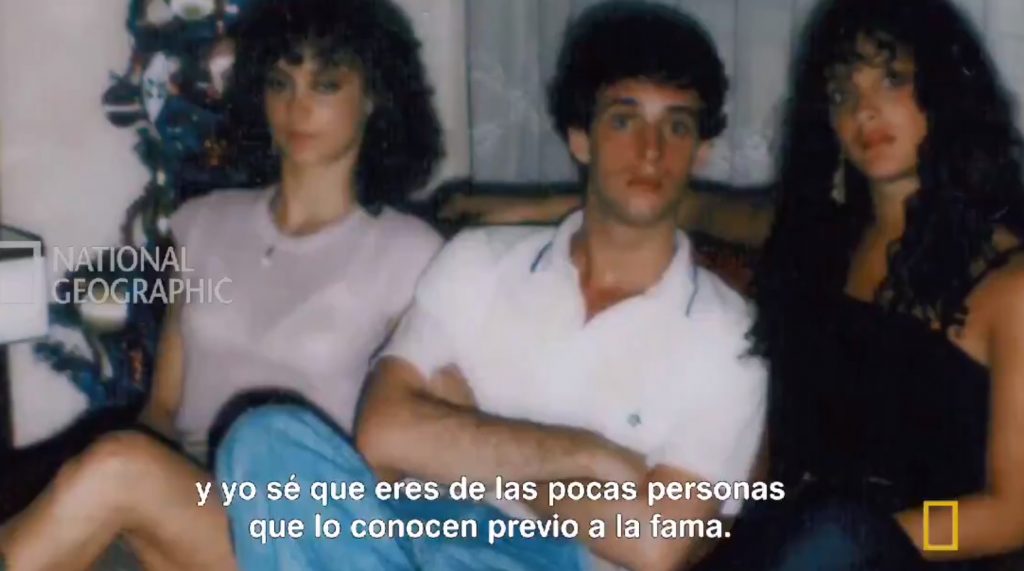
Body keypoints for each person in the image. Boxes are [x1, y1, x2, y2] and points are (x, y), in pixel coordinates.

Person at [216, 2, 768, 570]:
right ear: (581, 138)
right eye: (624, 121)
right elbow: (381, 435)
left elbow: (656, 541)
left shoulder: (730, 337)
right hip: (407, 532)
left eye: (676, 126)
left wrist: (471, 433)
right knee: (264, 440)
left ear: (701, 151)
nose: (651, 151)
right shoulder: (479, 260)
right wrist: (592, 457)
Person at [0, 0, 444, 568]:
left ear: (376, 97)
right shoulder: (204, 224)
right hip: (184, 501)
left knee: (118, 470)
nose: (297, 106)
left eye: (326, 85)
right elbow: (163, 407)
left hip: (302, 524)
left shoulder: (410, 252)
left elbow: (412, 448)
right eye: (280, 83)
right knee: (104, 481)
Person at [693, 0, 1024, 569]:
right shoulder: (819, 238)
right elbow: (676, 204)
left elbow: (1011, 514)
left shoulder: (1008, 285)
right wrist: (531, 211)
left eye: (893, 80)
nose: (864, 110)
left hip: (923, 554)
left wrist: (867, 542)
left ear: (948, 92)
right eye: (842, 92)